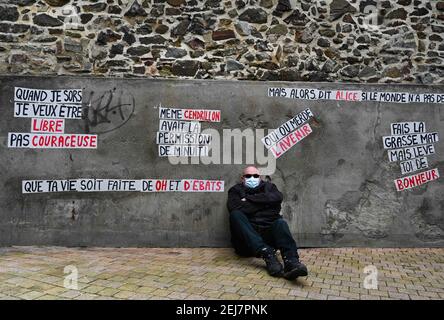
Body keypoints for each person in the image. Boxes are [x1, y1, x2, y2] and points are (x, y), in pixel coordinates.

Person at [227, 166, 308, 280]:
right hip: (246, 242)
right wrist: (265, 203)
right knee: (236, 215)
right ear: (242, 178)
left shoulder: (269, 187)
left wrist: (248, 199)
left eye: (255, 176)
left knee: (280, 223)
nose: (252, 178)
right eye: (248, 176)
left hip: (268, 236)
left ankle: (292, 261)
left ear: (260, 177)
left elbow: (277, 199)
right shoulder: (235, 190)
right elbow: (234, 207)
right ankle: (267, 254)